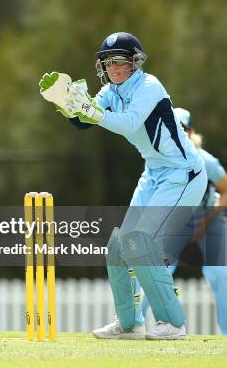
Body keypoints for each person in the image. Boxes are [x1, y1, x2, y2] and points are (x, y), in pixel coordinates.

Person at [39, 32, 207, 340]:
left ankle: (174, 323)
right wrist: (65, 103)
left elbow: (129, 123)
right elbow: (84, 122)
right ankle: (128, 324)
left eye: (120, 61)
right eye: (108, 61)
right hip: (154, 171)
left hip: (183, 173)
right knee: (118, 248)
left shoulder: (149, 86)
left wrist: (91, 110)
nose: (114, 67)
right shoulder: (109, 91)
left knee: (140, 244)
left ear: (134, 62)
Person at [135, 107, 227, 334]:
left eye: (184, 129)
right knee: (157, 271)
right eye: (175, 130)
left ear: (192, 132)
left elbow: (225, 190)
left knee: (221, 274)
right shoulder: (159, 163)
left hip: (209, 218)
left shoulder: (205, 160)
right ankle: (134, 323)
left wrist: (206, 222)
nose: (180, 135)